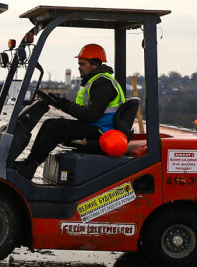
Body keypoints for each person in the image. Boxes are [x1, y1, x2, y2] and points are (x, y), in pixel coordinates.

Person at [8, 43, 125, 181]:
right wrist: (59, 102)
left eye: (82, 64)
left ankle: (29, 166)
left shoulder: (102, 83)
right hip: (97, 127)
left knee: (55, 127)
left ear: (94, 64)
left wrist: (64, 105)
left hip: (102, 131)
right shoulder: (95, 81)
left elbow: (92, 115)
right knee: (50, 124)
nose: (79, 67)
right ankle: (29, 164)